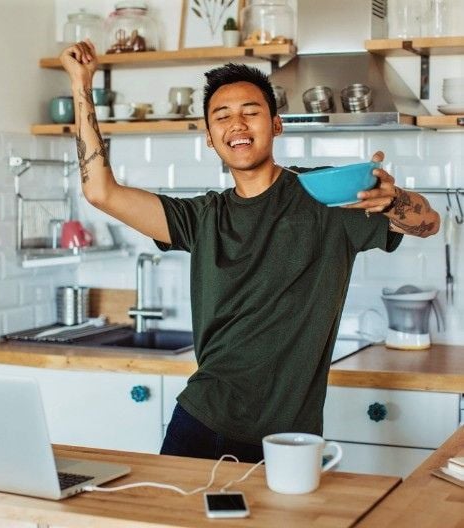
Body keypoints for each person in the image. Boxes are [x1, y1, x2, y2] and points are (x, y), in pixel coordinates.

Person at [60, 40, 440, 463]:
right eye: (222, 117)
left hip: (291, 437)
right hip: (204, 419)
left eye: (250, 112)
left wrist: (394, 200)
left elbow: (427, 223)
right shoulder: (202, 217)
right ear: (209, 137)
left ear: (276, 125)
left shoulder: (327, 197)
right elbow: (100, 191)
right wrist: (82, 83)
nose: (236, 124)